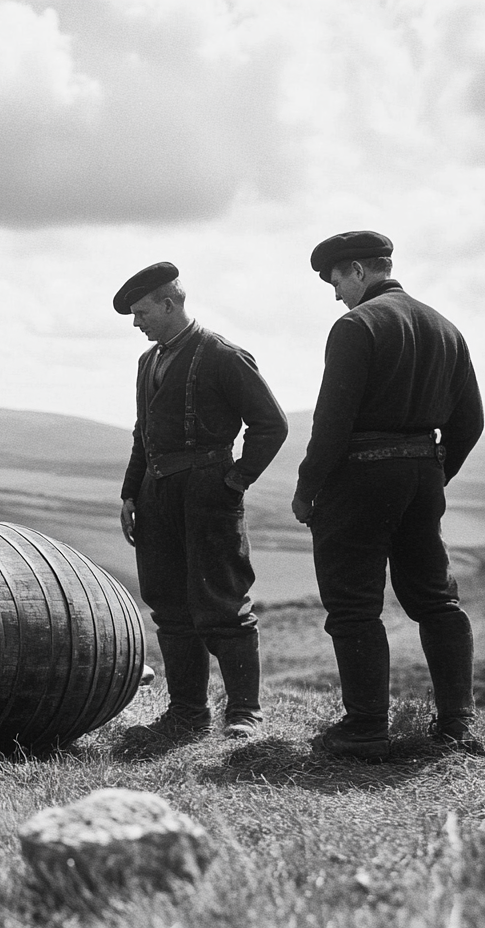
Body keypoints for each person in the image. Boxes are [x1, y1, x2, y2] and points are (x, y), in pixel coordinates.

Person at [293, 231, 485, 760]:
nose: (335, 294)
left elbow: (333, 421)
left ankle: (366, 729)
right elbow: (471, 421)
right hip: (423, 476)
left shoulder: (356, 326)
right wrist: (433, 475)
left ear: (357, 271)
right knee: (436, 599)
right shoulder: (446, 327)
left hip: (359, 480)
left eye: (336, 281)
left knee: (353, 606)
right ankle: (456, 723)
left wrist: (308, 488)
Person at [115, 262, 288, 739]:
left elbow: (271, 425)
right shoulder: (147, 362)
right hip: (155, 495)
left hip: (208, 493)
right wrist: (131, 492)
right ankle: (187, 711)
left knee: (223, 602)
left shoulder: (222, 355)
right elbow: (142, 434)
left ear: (170, 303)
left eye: (142, 311)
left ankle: (244, 713)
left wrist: (234, 482)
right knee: (168, 604)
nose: (137, 323)